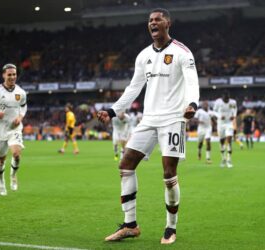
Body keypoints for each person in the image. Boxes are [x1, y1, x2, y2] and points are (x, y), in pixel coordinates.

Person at [97, 8, 199, 244]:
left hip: (174, 119)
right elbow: (133, 88)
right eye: (150, 20)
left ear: (167, 23)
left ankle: (170, 228)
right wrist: (113, 111)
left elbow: (192, 80)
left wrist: (192, 103)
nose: (153, 23)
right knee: (125, 164)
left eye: (157, 19)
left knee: (168, 173)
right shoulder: (143, 55)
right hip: (149, 119)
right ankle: (130, 224)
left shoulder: (182, 52)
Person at [0, 63, 27, 196]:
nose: (12, 77)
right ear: (3, 75)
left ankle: (13, 175)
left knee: (16, 154)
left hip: (15, 129)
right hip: (1, 130)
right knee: (1, 160)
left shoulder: (21, 92)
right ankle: (1, 181)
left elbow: (24, 107)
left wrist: (20, 117)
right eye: (9, 74)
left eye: (14, 74)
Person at [213, 92, 237, 168]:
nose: (226, 100)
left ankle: (229, 160)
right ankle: (223, 159)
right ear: (222, 98)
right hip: (220, 124)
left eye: (227, 99)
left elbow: (235, 109)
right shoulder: (218, 102)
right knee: (222, 142)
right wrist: (219, 116)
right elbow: (214, 111)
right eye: (225, 99)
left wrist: (234, 116)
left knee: (229, 140)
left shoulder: (233, 102)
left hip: (229, 123)